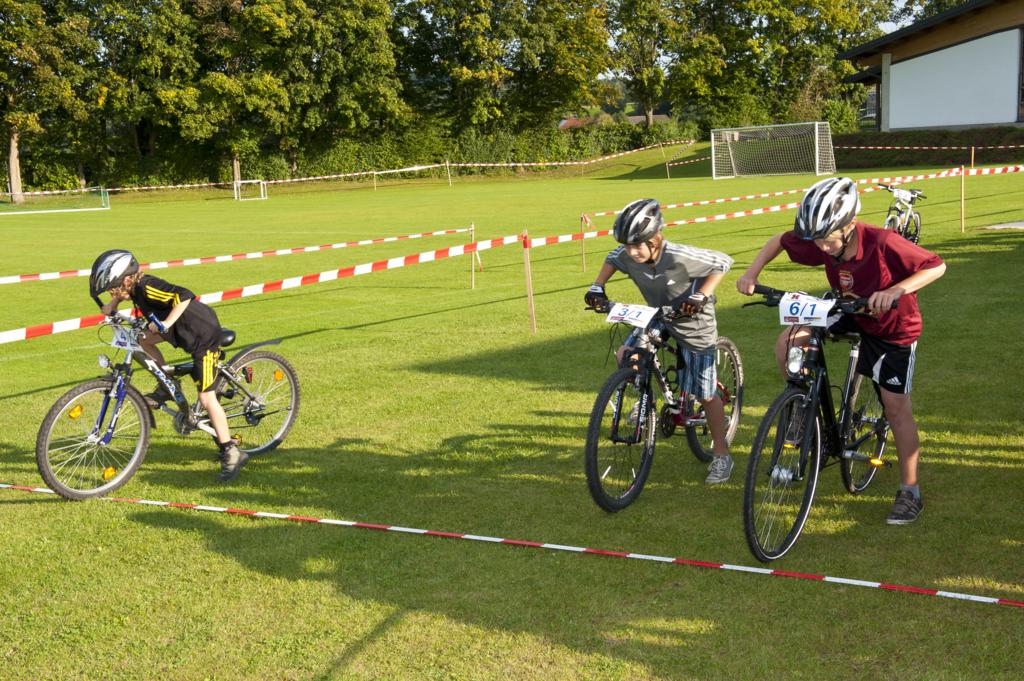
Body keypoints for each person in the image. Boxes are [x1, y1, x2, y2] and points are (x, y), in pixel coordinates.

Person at [735, 177, 946, 524]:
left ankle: (910, 491)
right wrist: (751, 274)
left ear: (849, 226)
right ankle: (801, 409)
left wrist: (896, 290)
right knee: (789, 340)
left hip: (892, 328)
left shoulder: (882, 242)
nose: (821, 247)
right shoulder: (822, 240)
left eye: (827, 239)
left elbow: (936, 265)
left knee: (896, 409)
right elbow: (780, 241)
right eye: (816, 240)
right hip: (848, 310)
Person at [585, 198, 736, 485]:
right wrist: (597, 286)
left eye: (637, 245)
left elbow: (723, 262)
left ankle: (721, 453)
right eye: (627, 245)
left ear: (655, 239)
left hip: (693, 322)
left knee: (705, 394)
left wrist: (701, 295)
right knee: (626, 353)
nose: (631, 252)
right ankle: (643, 397)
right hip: (658, 314)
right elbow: (613, 257)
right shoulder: (627, 254)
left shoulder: (679, 256)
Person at [88, 249, 248, 482]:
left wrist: (166, 322)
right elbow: (125, 298)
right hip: (181, 330)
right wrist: (112, 304)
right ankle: (167, 384)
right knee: (142, 340)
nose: (113, 293)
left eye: (114, 289)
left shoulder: (147, 286)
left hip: (202, 334)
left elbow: (184, 296)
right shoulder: (133, 288)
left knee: (206, 397)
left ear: (127, 280)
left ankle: (231, 451)